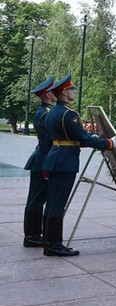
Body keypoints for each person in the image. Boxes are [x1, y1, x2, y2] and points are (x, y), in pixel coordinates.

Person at [41, 75, 116, 256]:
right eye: (71, 89)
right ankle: (54, 245)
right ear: (64, 92)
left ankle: (48, 242)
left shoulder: (52, 112)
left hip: (54, 158)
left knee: (52, 201)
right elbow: (83, 137)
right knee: (58, 203)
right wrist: (110, 143)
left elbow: (71, 138)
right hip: (65, 161)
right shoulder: (69, 114)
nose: (73, 92)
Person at [22, 76, 56, 247]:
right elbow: (48, 141)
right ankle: (32, 236)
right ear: (48, 95)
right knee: (36, 198)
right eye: (53, 90)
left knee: (38, 197)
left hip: (41, 159)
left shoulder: (45, 112)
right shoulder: (44, 114)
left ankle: (34, 234)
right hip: (42, 160)